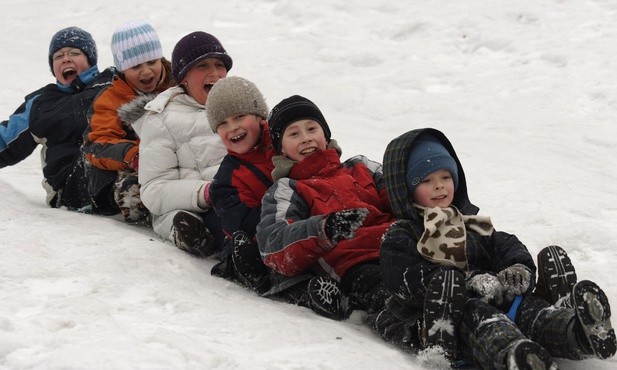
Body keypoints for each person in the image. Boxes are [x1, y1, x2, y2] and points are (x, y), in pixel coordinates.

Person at [374, 127, 615, 368]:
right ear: (406, 189)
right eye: (426, 180)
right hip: (454, 316)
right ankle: (517, 357)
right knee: (487, 324)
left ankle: (577, 335)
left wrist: (517, 267)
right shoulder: (404, 233)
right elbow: (403, 277)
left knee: (533, 312)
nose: (439, 186)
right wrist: (461, 283)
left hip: (499, 298)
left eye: (445, 177)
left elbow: (505, 244)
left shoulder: (470, 222)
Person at [255, 95, 396, 320]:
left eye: (312, 129)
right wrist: (324, 229)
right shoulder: (288, 189)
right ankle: (421, 331)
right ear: (281, 149)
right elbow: (274, 242)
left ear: (325, 135)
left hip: (399, 244)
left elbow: (401, 194)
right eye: (294, 133)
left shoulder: (361, 166)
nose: (306, 138)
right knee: (391, 296)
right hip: (354, 264)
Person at [136, 31, 231, 256]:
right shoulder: (161, 119)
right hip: (204, 206)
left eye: (220, 64)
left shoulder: (238, 104)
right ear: (183, 77)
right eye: (203, 66)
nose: (215, 73)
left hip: (246, 195)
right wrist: (205, 193)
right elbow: (154, 189)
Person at [1, 27, 114, 212]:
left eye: (75, 53)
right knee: (94, 152)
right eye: (58, 56)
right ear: (53, 67)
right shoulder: (41, 104)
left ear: (90, 60)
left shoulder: (112, 83)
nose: (66, 58)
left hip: (118, 164)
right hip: (70, 186)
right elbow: (6, 139)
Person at [82, 20, 175, 224]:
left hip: (176, 160)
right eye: (136, 66)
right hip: (134, 165)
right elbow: (98, 142)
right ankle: (132, 196)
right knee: (103, 172)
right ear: (123, 69)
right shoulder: (110, 99)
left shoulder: (178, 85)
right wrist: (134, 155)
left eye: (152, 62)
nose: (147, 71)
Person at [205, 76, 274, 292]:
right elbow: (244, 225)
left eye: (239, 116)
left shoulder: (287, 144)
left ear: (260, 116)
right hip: (271, 241)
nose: (233, 127)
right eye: (223, 123)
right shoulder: (226, 181)